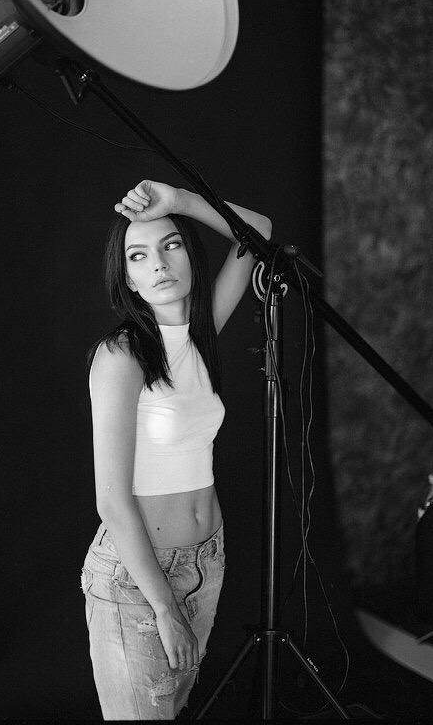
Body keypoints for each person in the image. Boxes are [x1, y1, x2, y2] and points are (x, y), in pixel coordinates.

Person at [81, 179, 272, 719]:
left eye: (171, 245)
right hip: (139, 579)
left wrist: (179, 201)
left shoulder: (201, 333)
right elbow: (111, 499)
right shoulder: (121, 357)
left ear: (191, 255)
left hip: (206, 562)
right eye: (138, 255)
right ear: (128, 278)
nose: (160, 264)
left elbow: (259, 232)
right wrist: (164, 607)